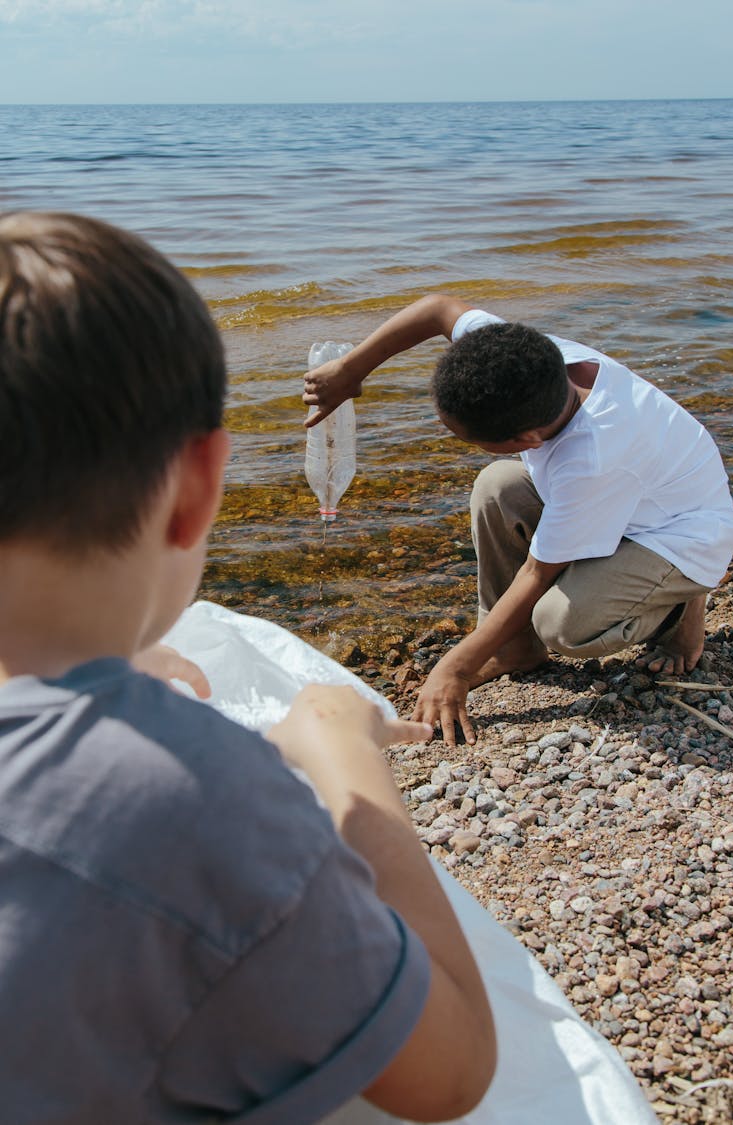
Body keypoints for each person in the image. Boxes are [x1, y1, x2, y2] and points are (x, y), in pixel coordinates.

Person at [0, 214, 495, 1123]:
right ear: (198, 490)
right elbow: (451, 1071)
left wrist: (108, 658)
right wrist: (347, 756)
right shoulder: (199, 796)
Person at [303, 294, 733, 748]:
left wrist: (455, 666)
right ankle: (517, 650)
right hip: (633, 501)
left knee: (563, 624)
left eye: (467, 438)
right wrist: (351, 370)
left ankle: (684, 606)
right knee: (498, 488)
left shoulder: (592, 459)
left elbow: (537, 573)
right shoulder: (527, 362)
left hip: (678, 535)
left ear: (527, 437)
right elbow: (436, 310)